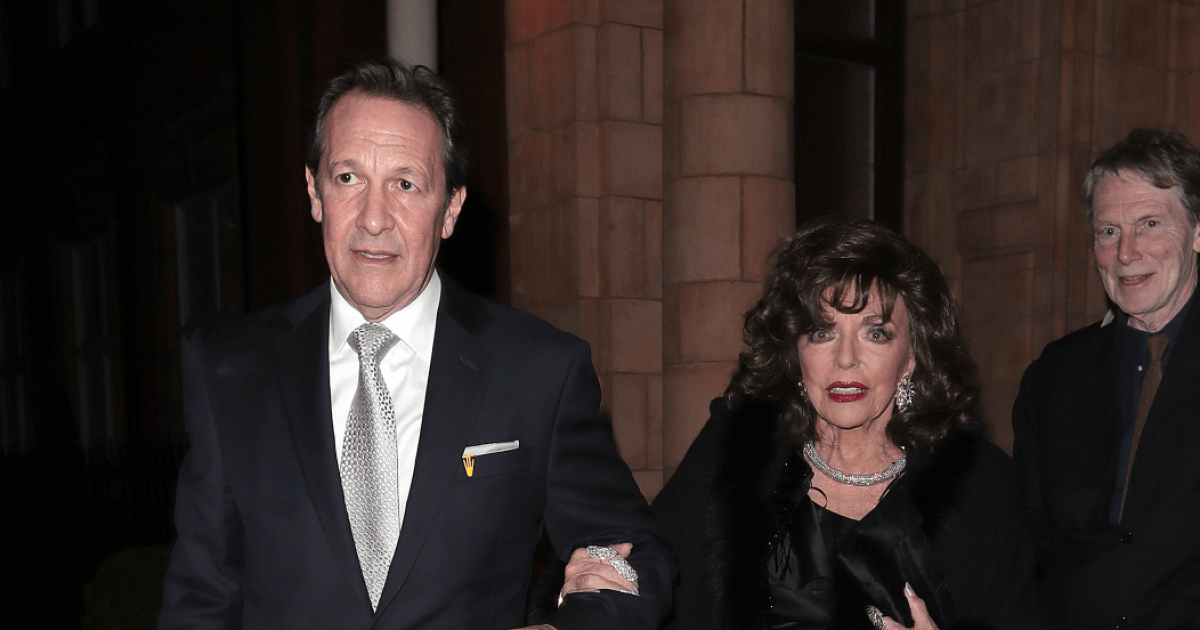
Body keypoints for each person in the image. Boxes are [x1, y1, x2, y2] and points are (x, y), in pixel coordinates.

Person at [157, 58, 673, 630]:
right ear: (314, 191)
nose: (374, 219)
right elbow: (200, 601)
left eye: (405, 184)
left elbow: (633, 551)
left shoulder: (539, 370)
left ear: (450, 208)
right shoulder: (230, 371)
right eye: (348, 178)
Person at [650, 219, 1046, 629]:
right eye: (822, 332)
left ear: (912, 356)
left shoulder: (981, 488)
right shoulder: (733, 457)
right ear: (795, 350)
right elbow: (647, 583)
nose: (845, 359)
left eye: (876, 334)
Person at [1011, 127, 1200, 628]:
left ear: (1198, 232)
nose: (1126, 253)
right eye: (1108, 231)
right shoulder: (1053, 376)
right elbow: (1029, 543)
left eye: (1149, 224)